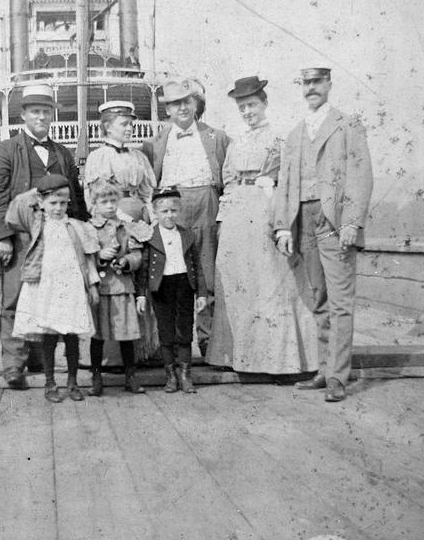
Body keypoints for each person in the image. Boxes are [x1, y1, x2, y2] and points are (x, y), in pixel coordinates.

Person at [273, 67, 374, 402]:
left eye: (317, 82)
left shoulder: (348, 124)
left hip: (335, 221)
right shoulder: (295, 132)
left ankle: (338, 377)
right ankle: (323, 369)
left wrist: (351, 222)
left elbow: (360, 174)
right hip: (304, 219)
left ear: (329, 84)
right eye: (306, 83)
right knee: (319, 298)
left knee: (341, 301)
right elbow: (286, 183)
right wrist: (283, 225)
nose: (311, 88)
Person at [207, 75, 318, 377]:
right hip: (236, 213)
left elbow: (295, 177)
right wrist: (224, 217)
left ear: (265, 104)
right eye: (242, 107)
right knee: (237, 278)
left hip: (266, 206)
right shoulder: (237, 140)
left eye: (252, 105)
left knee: (270, 279)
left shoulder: (280, 138)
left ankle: (280, 361)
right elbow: (228, 178)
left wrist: (276, 184)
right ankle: (239, 357)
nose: (247, 112)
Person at [0, 84, 89, 390]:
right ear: (23, 115)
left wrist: (83, 235)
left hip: (57, 240)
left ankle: (38, 360)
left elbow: (77, 197)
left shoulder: (62, 153)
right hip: (21, 238)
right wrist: (3, 237)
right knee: (15, 298)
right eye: (35, 112)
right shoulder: (6, 150)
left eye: (46, 112)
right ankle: (14, 366)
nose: (41, 117)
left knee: (48, 298)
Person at [141, 78, 229, 358]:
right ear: (167, 109)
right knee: (166, 274)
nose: (182, 108)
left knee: (207, 273)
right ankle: (165, 344)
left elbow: (229, 178)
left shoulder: (217, 137)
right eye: (175, 103)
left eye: (186, 101)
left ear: (196, 104)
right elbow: (147, 183)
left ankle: (208, 340)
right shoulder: (154, 143)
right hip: (170, 209)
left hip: (205, 204)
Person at [5, 175, 100, 403]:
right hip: (45, 286)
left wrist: (93, 285)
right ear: (42, 202)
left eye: (63, 203)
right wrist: (40, 192)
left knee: (71, 335)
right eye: (53, 203)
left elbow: (88, 259)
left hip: (72, 287)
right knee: (48, 335)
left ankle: (73, 382)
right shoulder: (37, 224)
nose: (58, 208)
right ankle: (50, 382)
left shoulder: (76, 227)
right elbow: (16, 210)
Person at [136, 186, 209, 393]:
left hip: (184, 285)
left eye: (173, 211)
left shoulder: (186, 235)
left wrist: (201, 294)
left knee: (184, 331)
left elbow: (197, 266)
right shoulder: (150, 237)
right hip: (161, 287)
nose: (169, 215)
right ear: (155, 212)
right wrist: (141, 294)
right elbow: (143, 269)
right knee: (166, 332)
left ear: (179, 211)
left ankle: (186, 376)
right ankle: (170, 377)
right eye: (164, 211)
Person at [86, 179, 152, 396]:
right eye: (104, 201)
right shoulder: (89, 228)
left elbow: (137, 254)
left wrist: (126, 262)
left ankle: (130, 376)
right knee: (98, 335)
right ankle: (96, 376)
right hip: (100, 288)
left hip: (122, 287)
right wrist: (99, 256)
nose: (110, 206)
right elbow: (83, 257)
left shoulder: (126, 226)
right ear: (94, 203)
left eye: (113, 201)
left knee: (126, 333)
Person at [84, 100, 156, 220]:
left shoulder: (138, 156)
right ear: (108, 127)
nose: (129, 129)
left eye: (131, 124)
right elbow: (96, 199)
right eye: (124, 124)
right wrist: (127, 221)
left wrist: (152, 218)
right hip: (114, 218)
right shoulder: (99, 157)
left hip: (142, 216)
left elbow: (148, 193)